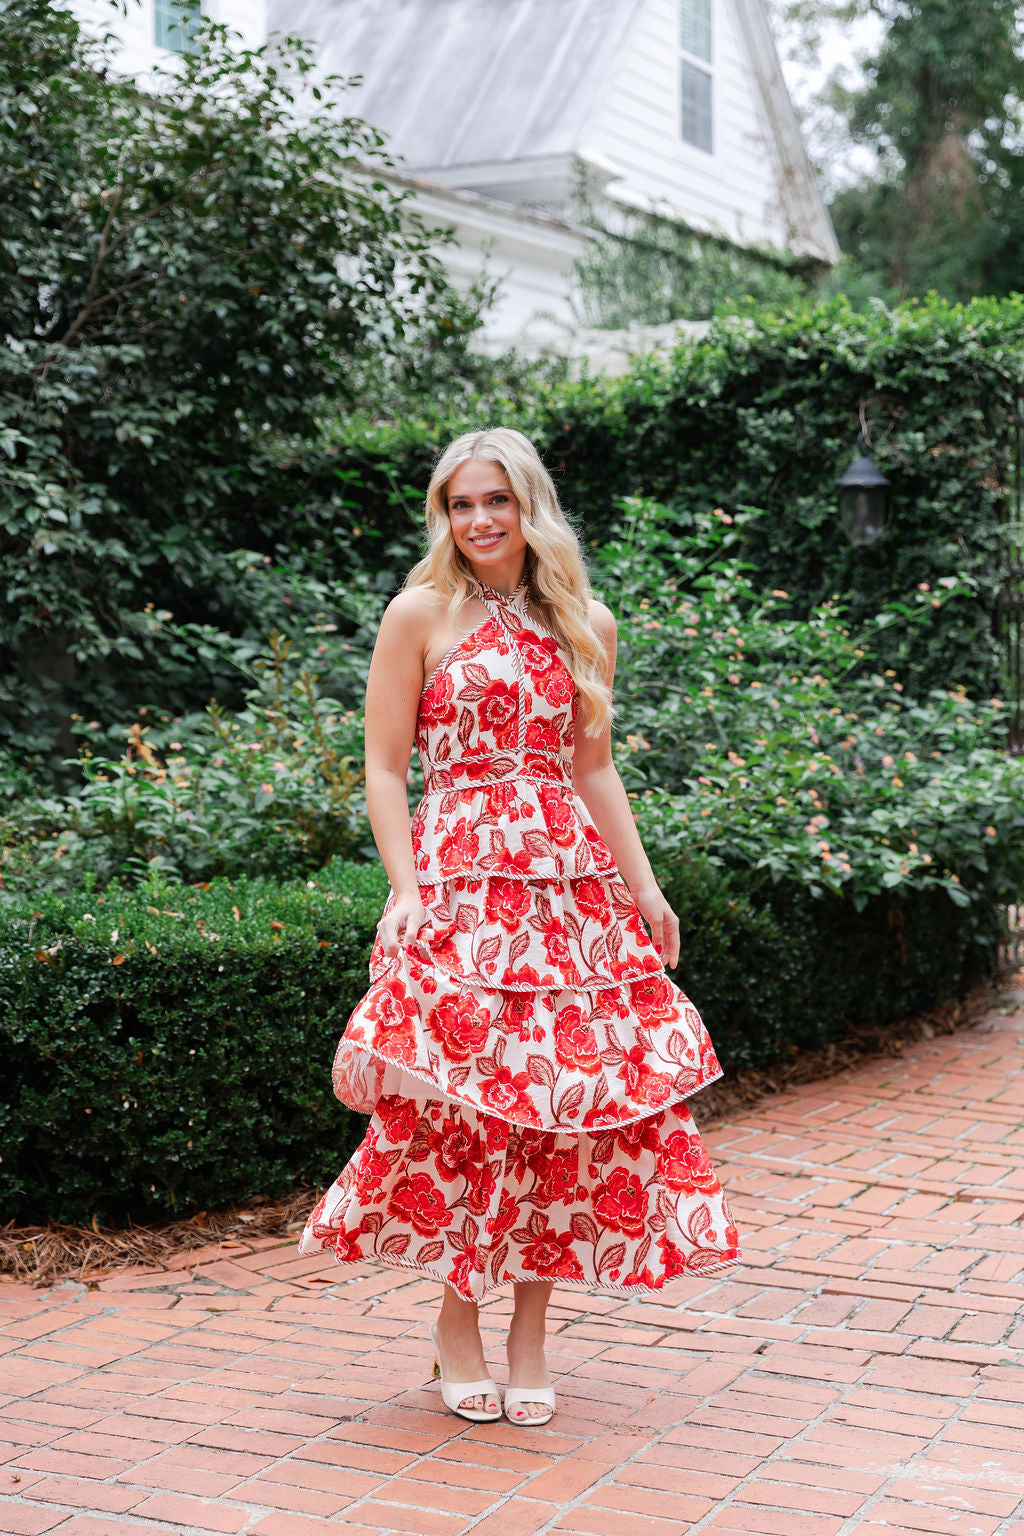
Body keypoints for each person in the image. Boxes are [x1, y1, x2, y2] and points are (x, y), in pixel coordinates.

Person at [300, 427, 740, 1426]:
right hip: (460, 883)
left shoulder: (586, 619)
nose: (478, 520)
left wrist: (645, 888)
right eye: (460, 504)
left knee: (566, 1111)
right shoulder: (419, 612)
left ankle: (530, 1335)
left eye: (495, 499)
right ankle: (457, 1322)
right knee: (473, 1112)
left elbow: (594, 768)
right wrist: (405, 888)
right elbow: (384, 767)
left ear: (528, 504)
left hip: (567, 893)